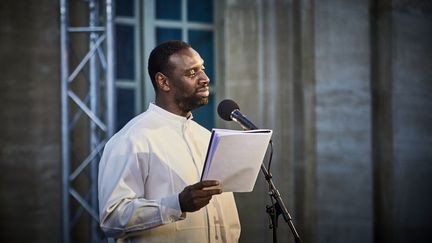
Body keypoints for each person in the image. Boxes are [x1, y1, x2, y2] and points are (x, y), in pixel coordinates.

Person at [98, 40, 241, 242]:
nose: (205, 78)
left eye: (203, 69)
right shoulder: (132, 139)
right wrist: (176, 204)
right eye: (192, 73)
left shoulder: (208, 139)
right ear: (163, 82)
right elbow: (111, 218)